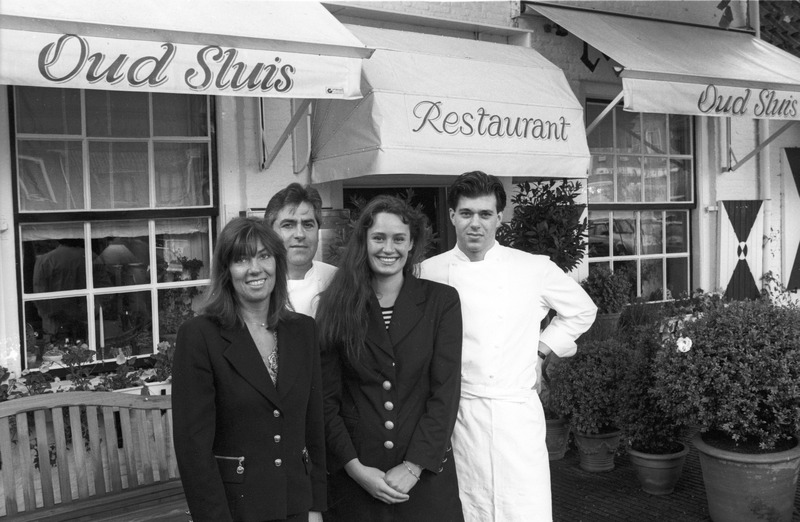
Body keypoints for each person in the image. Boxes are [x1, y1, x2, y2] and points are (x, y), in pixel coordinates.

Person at [420, 171, 597, 522]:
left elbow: (582, 310)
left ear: (499, 218)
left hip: (516, 414)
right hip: (458, 413)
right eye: (466, 213)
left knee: (523, 507)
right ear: (452, 215)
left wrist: (541, 351)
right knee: (466, 506)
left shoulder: (532, 268)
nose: (475, 223)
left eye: (485, 214)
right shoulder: (428, 271)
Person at [317, 196, 464, 521]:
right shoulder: (336, 304)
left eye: (398, 239)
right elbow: (326, 401)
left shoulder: (441, 302)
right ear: (364, 241)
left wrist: (413, 467)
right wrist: (355, 469)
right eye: (379, 238)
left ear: (411, 243)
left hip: (424, 476)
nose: (388, 248)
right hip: (357, 477)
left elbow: (445, 393)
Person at [173, 217, 326, 522]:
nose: (255, 268)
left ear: (277, 263)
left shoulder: (303, 330)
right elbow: (193, 448)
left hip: (296, 504)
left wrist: (315, 506)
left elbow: (314, 425)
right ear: (226, 271)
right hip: (236, 510)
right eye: (241, 259)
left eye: (264, 256)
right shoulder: (199, 336)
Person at [265, 183, 336, 317]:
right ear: (270, 233)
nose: (300, 234)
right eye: (288, 225)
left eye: (308, 225)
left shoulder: (337, 279)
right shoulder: (258, 283)